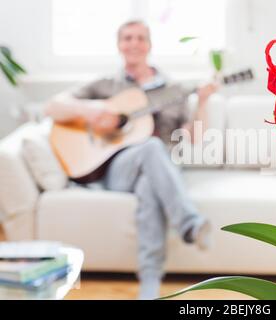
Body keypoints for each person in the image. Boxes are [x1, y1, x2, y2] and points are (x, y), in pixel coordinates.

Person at [45, 20, 217, 299]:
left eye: (140, 38)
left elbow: (196, 138)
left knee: (150, 184)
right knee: (150, 146)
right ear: (119, 44)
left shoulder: (173, 90)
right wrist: (93, 110)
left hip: (161, 173)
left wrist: (204, 102)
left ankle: (149, 285)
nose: (134, 43)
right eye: (128, 38)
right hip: (116, 169)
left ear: (149, 45)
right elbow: (52, 106)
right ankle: (189, 223)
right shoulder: (105, 85)